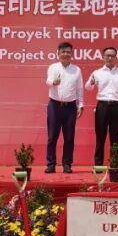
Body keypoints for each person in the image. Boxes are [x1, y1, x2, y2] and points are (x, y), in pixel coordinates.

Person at [44, 41, 84, 174]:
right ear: (58, 53)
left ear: (72, 54)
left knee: (69, 137)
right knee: (52, 136)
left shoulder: (76, 70)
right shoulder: (53, 67)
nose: (66, 54)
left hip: (70, 107)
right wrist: (54, 82)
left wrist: (81, 105)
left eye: (68, 52)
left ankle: (67, 164)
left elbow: (79, 89)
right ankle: (51, 164)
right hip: (54, 105)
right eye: (63, 52)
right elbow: (48, 81)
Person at [84, 46, 118, 167]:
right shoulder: (97, 72)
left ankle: (114, 165)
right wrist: (91, 82)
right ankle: (98, 165)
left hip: (116, 106)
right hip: (102, 106)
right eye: (107, 55)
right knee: (100, 137)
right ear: (103, 57)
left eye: (112, 56)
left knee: (115, 138)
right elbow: (88, 87)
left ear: (116, 57)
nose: (110, 58)